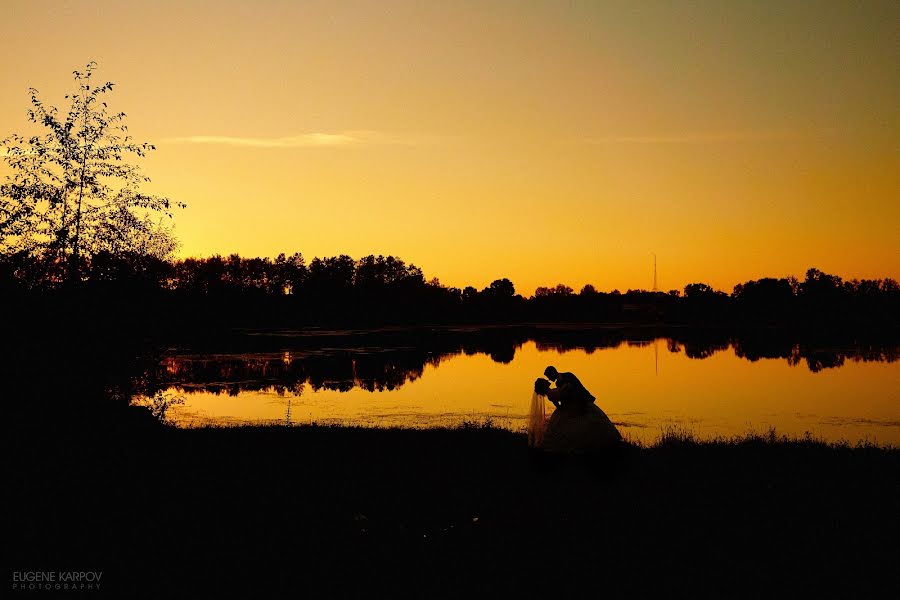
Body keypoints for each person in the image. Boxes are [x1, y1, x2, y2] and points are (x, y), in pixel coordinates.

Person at [532, 369, 621, 452]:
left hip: (573, 405)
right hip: (570, 407)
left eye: (548, 377)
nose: (548, 380)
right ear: (543, 386)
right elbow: (560, 401)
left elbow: (565, 396)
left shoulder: (561, 382)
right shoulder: (551, 393)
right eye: (545, 380)